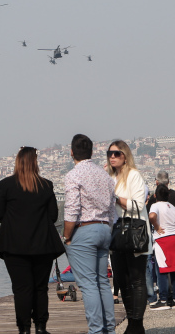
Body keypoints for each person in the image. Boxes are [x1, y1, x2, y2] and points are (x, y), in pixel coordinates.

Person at [0, 147, 65, 334]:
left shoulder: (5, 185)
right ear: (35, 162)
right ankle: (41, 327)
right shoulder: (46, 185)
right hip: (43, 245)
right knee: (40, 287)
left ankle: (24, 329)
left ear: (17, 162)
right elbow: (52, 216)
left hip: (14, 247)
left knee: (21, 289)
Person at [62, 134, 116, 334]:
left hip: (84, 229)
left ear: (72, 152)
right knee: (102, 281)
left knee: (88, 284)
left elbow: (72, 210)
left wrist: (67, 236)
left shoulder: (74, 175)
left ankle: (96, 330)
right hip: (104, 228)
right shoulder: (105, 175)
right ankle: (109, 329)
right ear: (91, 152)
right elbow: (112, 209)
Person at [106, 140, 151, 330]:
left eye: (116, 153)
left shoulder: (133, 176)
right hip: (116, 235)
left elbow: (138, 205)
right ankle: (133, 323)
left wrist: (114, 197)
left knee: (137, 279)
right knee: (122, 281)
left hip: (134, 234)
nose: (112, 157)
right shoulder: (109, 178)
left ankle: (136, 324)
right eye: (110, 153)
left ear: (125, 156)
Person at [148, 184, 175, 310]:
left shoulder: (155, 205)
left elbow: (152, 216)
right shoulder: (173, 208)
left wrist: (157, 227)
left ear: (155, 196)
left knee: (162, 270)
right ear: (168, 195)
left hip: (163, 239)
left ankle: (163, 299)